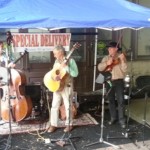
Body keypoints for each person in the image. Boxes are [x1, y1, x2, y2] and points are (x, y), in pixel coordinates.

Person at [48, 44, 79, 133]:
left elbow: (75, 74)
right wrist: (55, 77)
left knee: (68, 105)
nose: (54, 55)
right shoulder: (56, 61)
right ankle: (53, 124)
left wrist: (66, 67)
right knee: (54, 105)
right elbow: (55, 72)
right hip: (57, 86)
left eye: (55, 53)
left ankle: (69, 124)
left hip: (67, 85)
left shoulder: (71, 61)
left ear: (61, 52)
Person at [97, 41, 127, 128]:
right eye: (108, 48)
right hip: (109, 81)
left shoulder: (121, 57)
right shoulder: (106, 58)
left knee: (121, 101)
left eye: (111, 48)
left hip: (119, 81)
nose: (109, 50)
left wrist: (123, 60)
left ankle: (122, 120)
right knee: (111, 100)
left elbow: (125, 70)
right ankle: (113, 117)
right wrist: (107, 63)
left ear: (116, 49)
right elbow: (99, 67)